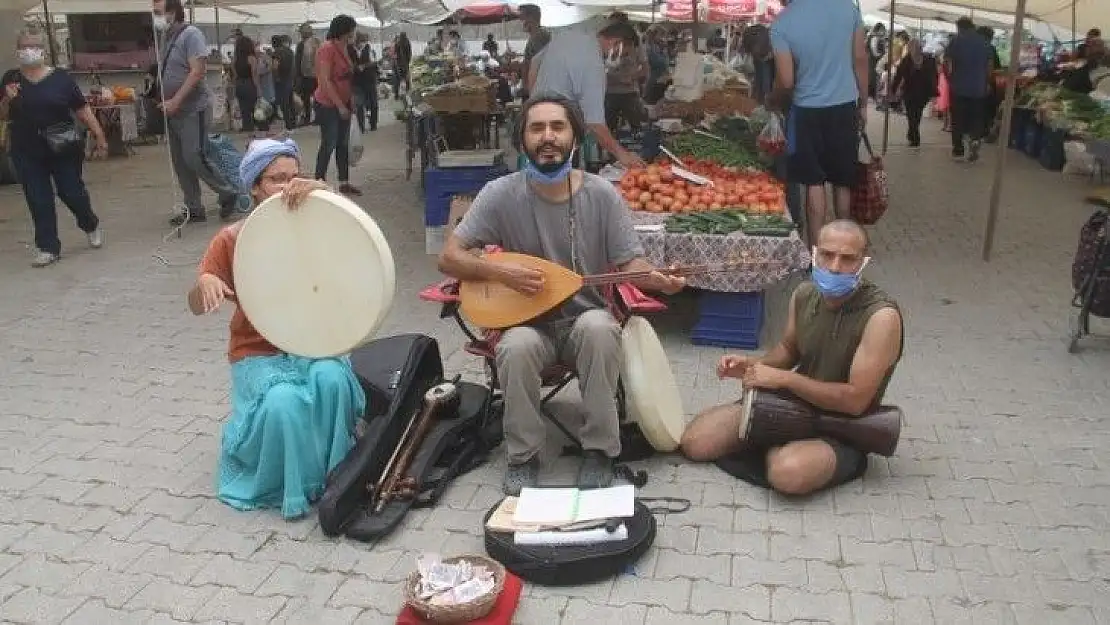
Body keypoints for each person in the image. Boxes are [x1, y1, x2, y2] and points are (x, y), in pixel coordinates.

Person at [436, 95, 684, 494]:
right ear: (523, 139)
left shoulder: (603, 195)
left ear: (576, 137)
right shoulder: (501, 193)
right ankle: (523, 455)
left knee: (600, 327)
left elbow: (629, 266)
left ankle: (600, 450)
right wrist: (499, 270)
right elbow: (449, 257)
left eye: (558, 127)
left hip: (585, 324)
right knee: (514, 346)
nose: (547, 136)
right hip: (527, 324)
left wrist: (659, 279)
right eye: (537, 128)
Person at [188, 138, 366, 520]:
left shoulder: (316, 222)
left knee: (332, 379)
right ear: (255, 186)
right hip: (257, 350)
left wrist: (328, 195)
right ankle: (293, 486)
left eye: (294, 176)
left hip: (309, 340)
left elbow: (359, 243)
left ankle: (338, 474)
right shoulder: (232, 238)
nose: (288, 187)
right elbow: (196, 304)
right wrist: (204, 282)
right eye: (275, 179)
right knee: (283, 401)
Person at [680, 220, 903, 496]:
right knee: (695, 442)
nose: (834, 267)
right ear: (814, 253)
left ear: (863, 262)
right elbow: (788, 349)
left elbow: (855, 401)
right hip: (791, 405)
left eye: (847, 259)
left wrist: (785, 380)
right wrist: (753, 367)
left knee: (787, 474)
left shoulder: (881, 317)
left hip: (844, 426)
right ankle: (777, 433)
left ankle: (775, 438)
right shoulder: (805, 293)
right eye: (827, 254)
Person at [0, 26, 108, 268]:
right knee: (39, 199)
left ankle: (89, 223)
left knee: (71, 192)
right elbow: (3, 114)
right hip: (26, 149)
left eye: (34, 46)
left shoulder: (61, 78)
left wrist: (99, 135)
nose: (29, 51)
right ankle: (47, 247)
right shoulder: (10, 78)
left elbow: (82, 108)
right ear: (17, 50)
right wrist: (8, 98)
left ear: (43, 50)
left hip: (62, 145)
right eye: (24, 46)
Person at [769, 0, 869, 247]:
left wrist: (772, 99)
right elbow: (859, 58)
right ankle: (844, 246)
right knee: (843, 179)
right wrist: (864, 101)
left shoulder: (782, 23)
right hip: (844, 106)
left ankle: (817, 253)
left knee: (814, 182)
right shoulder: (848, 8)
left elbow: (787, 80)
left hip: (806, 110)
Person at [152, 0, 241, 226]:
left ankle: (227, 191)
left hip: (193, 108)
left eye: (158, 11)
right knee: (180, 161)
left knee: (194, 155)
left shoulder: (191, 34)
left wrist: (176, 100)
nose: (155, 16)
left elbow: (197, 71)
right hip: (173, 110)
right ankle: (193, 206)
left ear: (172, 11)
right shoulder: (165, 37)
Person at [532, 19, 646, 169]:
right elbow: (595, 123)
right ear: (617, 43)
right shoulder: (594, 65)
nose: (621, 59)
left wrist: (533, 100)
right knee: (557, 181)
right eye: (623, 54)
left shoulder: (571, 36)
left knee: (539, 178)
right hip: (557, 131)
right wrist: (622, 155)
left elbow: (534, 62)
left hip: (534, 122)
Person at [313, 15, 360, 196]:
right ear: (345, 30)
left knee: (342, 143)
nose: (354, 33)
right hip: (327, 104)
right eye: (353, 29)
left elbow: (348, 76)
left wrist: (350, 101)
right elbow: (325, 80)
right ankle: (319, 181)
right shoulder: (327, 49)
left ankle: (344, 182)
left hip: (344, 101)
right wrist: (339, 105)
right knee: (329, 142)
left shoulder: (345, 48)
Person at [945, 17, 992, 162]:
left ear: (960, 27)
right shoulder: (985, 42)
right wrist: (987, 82)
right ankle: (975, 139)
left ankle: (958, 150)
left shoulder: (956, 41)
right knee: (976, 118)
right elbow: (989, 66)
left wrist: (949, 77)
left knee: (958, 119)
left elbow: (946, 61)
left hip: (959, 87)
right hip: (978, 88)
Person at [890, 39, 937, 149]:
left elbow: (934, 76)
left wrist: (934, 89)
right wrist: (893, 90)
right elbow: (899, 75)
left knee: (915, 114)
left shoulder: (928, 59)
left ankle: (913, 135)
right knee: (913, 114)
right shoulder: (908, 60)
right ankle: (913, 134)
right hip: (912, 92)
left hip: (921, 92)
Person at [519, 4, 551, 99]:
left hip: (539, 90)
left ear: (531, 18)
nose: (521, 22)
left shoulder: (540, 36)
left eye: (522, 17)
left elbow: (539, 64)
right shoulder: (534, 37)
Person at [351, 32, 379, 133]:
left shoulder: (369, 49)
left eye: (363, 41)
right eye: (359, 42)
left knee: (373, 104)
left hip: (370, 80)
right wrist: (354, 67)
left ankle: (373, 123)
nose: (361, 44)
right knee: (359, 105)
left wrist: (364, 66)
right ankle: (361, 127)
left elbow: (375, 62)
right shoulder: (350, 49)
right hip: (356, 82)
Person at [294, 23, 321, 126]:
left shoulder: (302, 44)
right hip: (317, 75)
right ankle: (318, 117)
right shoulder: (317, 42)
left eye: (301, 32)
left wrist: (297, 76)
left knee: (305, 98)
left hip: (305, 75)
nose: (301, 34)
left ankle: (307, 118)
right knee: (317, 97)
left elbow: (298, 61)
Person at [272, 35, 297, 131]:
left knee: (284, 104)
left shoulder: (276, 52)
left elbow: (275, 66)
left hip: (281, 80)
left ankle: (289, 126)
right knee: (290, 103)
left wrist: (276, 77)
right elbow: (294, 66)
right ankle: (293, 123)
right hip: (289, 79)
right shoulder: (290, 51)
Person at [393, 32, 412, 100]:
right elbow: (409, 54)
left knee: (397, 80)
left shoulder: (397, 43)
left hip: (398, 64)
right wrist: (408, 62)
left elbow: (395, 55)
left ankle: (397, 95)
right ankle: (406, 94)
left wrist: (396, 62)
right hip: (405, 64)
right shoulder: (407, 43)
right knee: (406, 80)